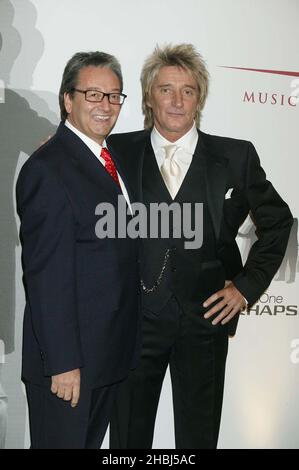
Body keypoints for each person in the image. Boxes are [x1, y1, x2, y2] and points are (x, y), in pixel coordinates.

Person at [108, 43, 293, 449]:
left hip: (205, 324)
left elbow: (279, 222)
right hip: (135, 324)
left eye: (187, 90)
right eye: (166, 89)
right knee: (126, 442)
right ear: (149, 97)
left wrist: (245, 288)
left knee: (198, 441)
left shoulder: (235, 156)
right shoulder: (117, 151)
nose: (177, 100)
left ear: (199, 99)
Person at [16, 51, 140, 449]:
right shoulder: (48, 168)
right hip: (68, 369)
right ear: (67, 100)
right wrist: (64, 362)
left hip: (106, 359)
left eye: (114, 96)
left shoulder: (112, 158)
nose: (105, 105)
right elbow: (45, 278)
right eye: (93, 94)